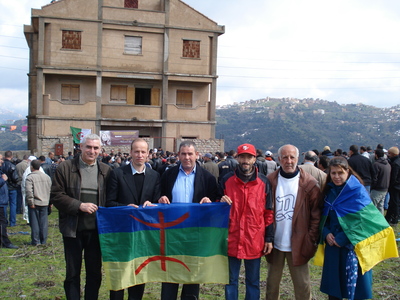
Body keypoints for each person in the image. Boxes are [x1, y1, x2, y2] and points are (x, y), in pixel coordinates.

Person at [318, 156, 398, 300]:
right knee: (334, 287)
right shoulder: (328, 192)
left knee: (356, 289)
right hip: (333, 246)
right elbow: (324, 217)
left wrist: (342, 238)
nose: (336, 177)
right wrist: (326, 233)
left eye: (340, 173)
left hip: (353, 246)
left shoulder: (357, 192)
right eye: (333, 173)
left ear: (348, 172)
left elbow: (363, 221)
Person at [51, 133, 112, 300]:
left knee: (94, 273)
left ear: (100, 150)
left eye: (95, 148)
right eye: (88, 147)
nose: (92, 151)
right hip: (73, 229)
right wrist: (79, 205)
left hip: (96, 232)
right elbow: (56, 195)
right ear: (81, 147)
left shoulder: (106, 171)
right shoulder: (65, 168)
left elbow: (113, 199)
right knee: (72, 273)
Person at [158, 140, 218, 300]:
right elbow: (158, 197)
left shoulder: (208, 178)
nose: (187, 157)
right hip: (172, 233)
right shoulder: (167, 175)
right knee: (170, 273)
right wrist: (160, 199)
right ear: (178, 155)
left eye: (190, 154)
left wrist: (210, 202)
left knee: (192, 275)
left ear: (196, 155)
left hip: (195, 234)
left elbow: (216, 203)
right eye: (183, 154)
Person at [106, 138, 161, 300]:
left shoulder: (154, 176)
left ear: (148, 154)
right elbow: (109, 202)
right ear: (130, 153)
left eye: (143, 151)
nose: (139, 155)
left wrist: (153, 204)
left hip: (143, 234)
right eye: (136, 151)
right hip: (121, 232)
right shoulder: (117, 173)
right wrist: (125, 207)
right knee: (120, 273)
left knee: (139, 273)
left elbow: (158, 203)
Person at [265, 144, 321, 300]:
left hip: (299, 243)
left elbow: (316, 215)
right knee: (271, 285)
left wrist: (310, 239)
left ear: (298, 159)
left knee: (302, 286)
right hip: (275, 243)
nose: (288, 161)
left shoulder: (309, 183)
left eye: (292, 157)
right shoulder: (270, 181)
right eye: (285, 157)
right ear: (279, 159)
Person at [219, 143, 274, 300]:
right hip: (232, 238)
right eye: (242, 157)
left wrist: (269, 238)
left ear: (254, 159)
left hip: (254, 239)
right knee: (230, 281)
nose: (245, 161)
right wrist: (219, 200)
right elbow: (216, 207)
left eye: (249, 157)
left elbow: (268, 212)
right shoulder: (226, 180)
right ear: (237, 158)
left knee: (253, 282)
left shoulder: (264, 183)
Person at [25, 159, 52, 246]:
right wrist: (50, 202)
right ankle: (43, 240)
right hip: (45, 202)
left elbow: (29, 191)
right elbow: (50, 190)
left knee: (35, 223)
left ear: (32, 167)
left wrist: (30, 202)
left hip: (35, 202)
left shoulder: (30, 178)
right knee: (43, 223)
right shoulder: (47, 177)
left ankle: (36, 241)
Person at [0, 154, 18, 249]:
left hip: (3, 199)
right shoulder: (11, 166)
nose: (2, 161)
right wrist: (3, 180)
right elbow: (15, 178)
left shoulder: (2, 169)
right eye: (0, 159)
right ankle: (5, 242)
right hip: (1, 201)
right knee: (2, 222)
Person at [370, 149, 391, 214]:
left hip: (377, 188)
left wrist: (373, 186)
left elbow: (374, 177)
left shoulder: (376, 164)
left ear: (376, 155)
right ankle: (381, 221)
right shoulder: (388, 164)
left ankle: (373, 220)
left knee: (372, 206)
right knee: (380, 206)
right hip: (385, 188)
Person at [1, 151, 19, 226]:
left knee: (4, 204)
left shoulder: (1, 165)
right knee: (13, 204)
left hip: (3, 186)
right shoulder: (12, 166)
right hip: (12, 187)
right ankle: (12, 222)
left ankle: (4, 220)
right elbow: (15, 178)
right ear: (11, 156)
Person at [386, 146, 400, 226]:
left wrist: (390, 185)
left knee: (395, 203)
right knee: (394, 203)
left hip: (395, 187)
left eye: (389, 153)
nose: (388, 155)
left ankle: (395, 219)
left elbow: (394, 177)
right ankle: (389, 217)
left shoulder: (395, 164)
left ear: (393, 154)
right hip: (397, 186)